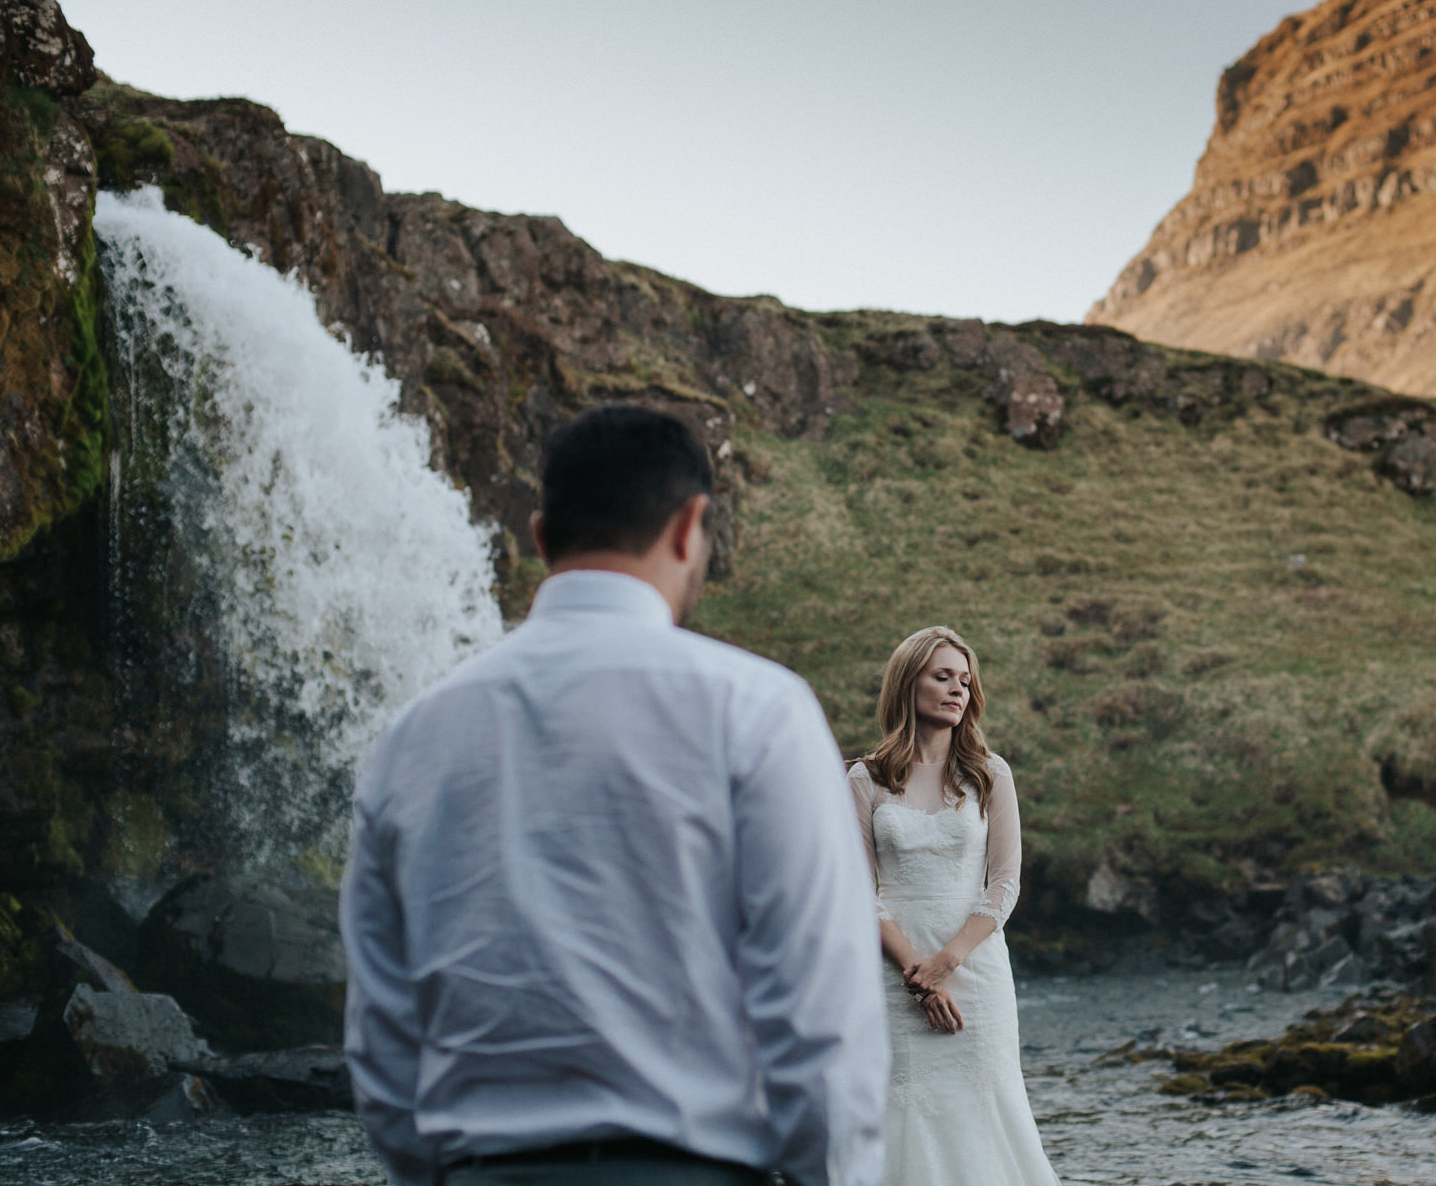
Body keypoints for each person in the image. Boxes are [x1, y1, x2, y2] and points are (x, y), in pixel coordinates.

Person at [341, 405, 888, 1186]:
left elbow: (380, 1038)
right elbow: (820, 1015)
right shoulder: (759, 711)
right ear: (689, 526)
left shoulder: (409, 739)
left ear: (540, 537)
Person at [846, 627, 1059, 1186]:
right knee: (903, 1105)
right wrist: (916, 972)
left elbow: (1005, 884)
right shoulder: (865, 779)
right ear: (907, 681)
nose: (956, 689)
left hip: (976, 969)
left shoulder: (991, 773)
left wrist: (948, 963)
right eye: (942, 676)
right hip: (895, 972)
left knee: (987, 1106)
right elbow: (854, 888)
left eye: (965, 680)